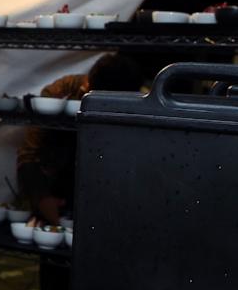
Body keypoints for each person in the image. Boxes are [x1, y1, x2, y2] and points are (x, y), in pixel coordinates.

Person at [17, 53, 144, 224]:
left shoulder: (143, 102)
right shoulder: (62, 91)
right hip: (60, 180)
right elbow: (28, 154)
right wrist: (42, 197)